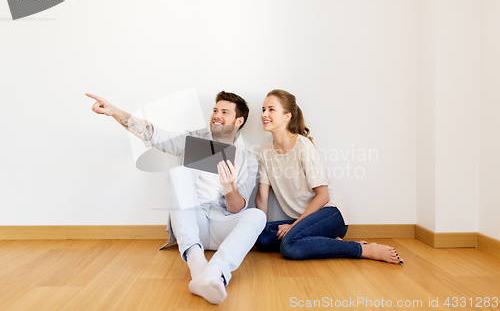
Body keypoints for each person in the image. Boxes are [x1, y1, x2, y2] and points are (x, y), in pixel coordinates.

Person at [86, 91, 266, 304]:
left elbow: (237, 209)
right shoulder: (194, 141)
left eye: (224, 112)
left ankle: (216, 271)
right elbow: (153, 134)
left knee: (257, 216)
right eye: (215, 110)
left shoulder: (249, 160)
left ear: (239, 121)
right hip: (192, 223)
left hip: (222, 226)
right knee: (178, 172)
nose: (216, 115)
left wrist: (229, 187)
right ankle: (197, 264)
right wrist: (114, 111)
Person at [255, 89, 403, 264]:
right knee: (260, 236)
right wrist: (257, 226)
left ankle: (361, 249)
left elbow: (323, 196)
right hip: (303, 218)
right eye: (263, 109)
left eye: (271, 109)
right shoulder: (265, 150)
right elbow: (262, 197)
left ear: (287, 116)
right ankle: (323, 240)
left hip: (330, 213)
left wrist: (293, 227)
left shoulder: (303, 146)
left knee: (289, 246)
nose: (265, 114)